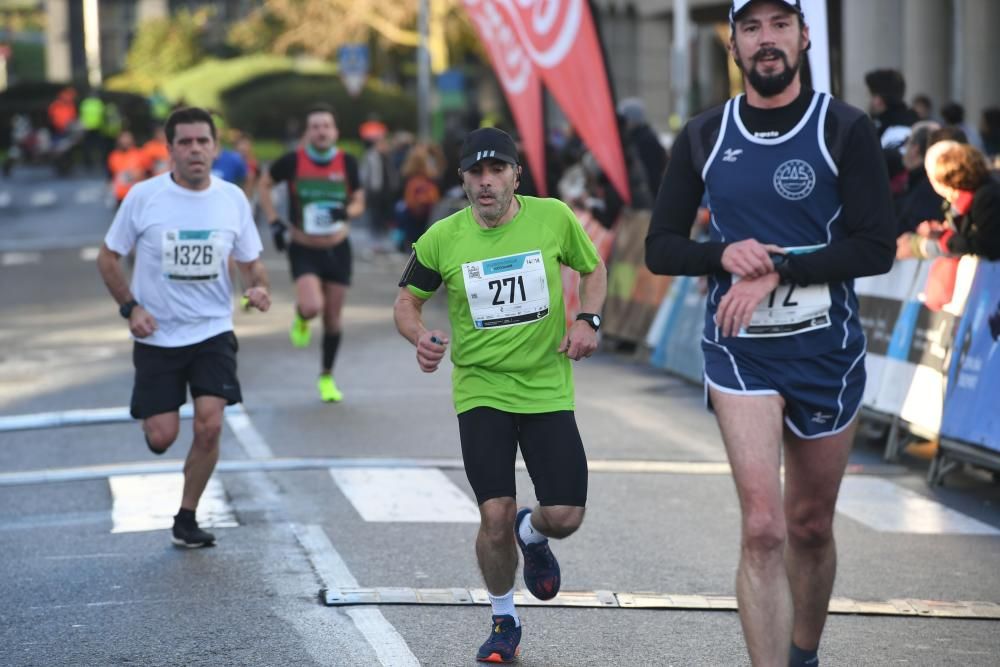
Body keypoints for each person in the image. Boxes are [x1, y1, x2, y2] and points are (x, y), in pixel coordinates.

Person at [644, 2, 895, 665]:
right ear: (732, 44)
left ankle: (803, 652)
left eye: (780, 25)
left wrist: (778, 265)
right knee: (763, 527)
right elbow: (661, 246)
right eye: (751, 28)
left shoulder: (845, 128)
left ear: (805, 36)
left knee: (810, 526)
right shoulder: (703, 135)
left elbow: (876, 248)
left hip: (825, 353)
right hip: (741, 353)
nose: (767, 40)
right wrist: (721, 256)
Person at [393, 127, 607, 663]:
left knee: (567, 515)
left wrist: (588, 320)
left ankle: (532, 535)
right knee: (493, 513)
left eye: (496, 172)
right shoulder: (442, 238)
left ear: (517, 175)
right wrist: (419, 337)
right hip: (480, 389)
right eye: (475, 174)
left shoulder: (553, 216)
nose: (486, 183)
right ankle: (503, 617)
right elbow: (406, 301)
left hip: (546, 387)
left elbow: (593, 267)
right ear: (462, 180)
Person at [96, 107, 270, 548]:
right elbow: (108, 258)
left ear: (215, 147)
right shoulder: (143, 197)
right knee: (163, 436)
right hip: (157, 334)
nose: (195, 150)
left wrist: (259, 288)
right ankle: (154, 423)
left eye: (203, 142)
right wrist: (130, 308)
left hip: (212, 331)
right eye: (186, 142)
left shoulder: (231, 198)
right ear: (170, 149)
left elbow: (252, 263)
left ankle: (187, 517)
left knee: (210, 424)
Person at [258, 103, 365, 402]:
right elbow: (264, 185)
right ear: (308, 132)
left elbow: (359, 201)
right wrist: (274, 221)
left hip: (338, 248)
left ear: (335, 131)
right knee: (311, 306)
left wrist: (347, 211)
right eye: (315, 126)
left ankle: (327, 377)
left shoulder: (347, 162)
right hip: (304, 247)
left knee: (333, 319)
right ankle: (302, 316)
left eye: (326, 126)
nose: (321, 131)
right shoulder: (293, 161)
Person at [897, 140, 1000, 263]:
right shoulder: (968, 199)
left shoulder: (985, 197)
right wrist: (941, 233)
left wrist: (946, 238)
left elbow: (985, 245)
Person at [107, 131, 148, 208]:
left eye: (127, 138)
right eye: (123, 138)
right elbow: (111, 176)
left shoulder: (140, 154)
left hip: (136, 196)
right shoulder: (114, 156)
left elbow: (148, 173)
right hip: (119, 196)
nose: (125, 141)